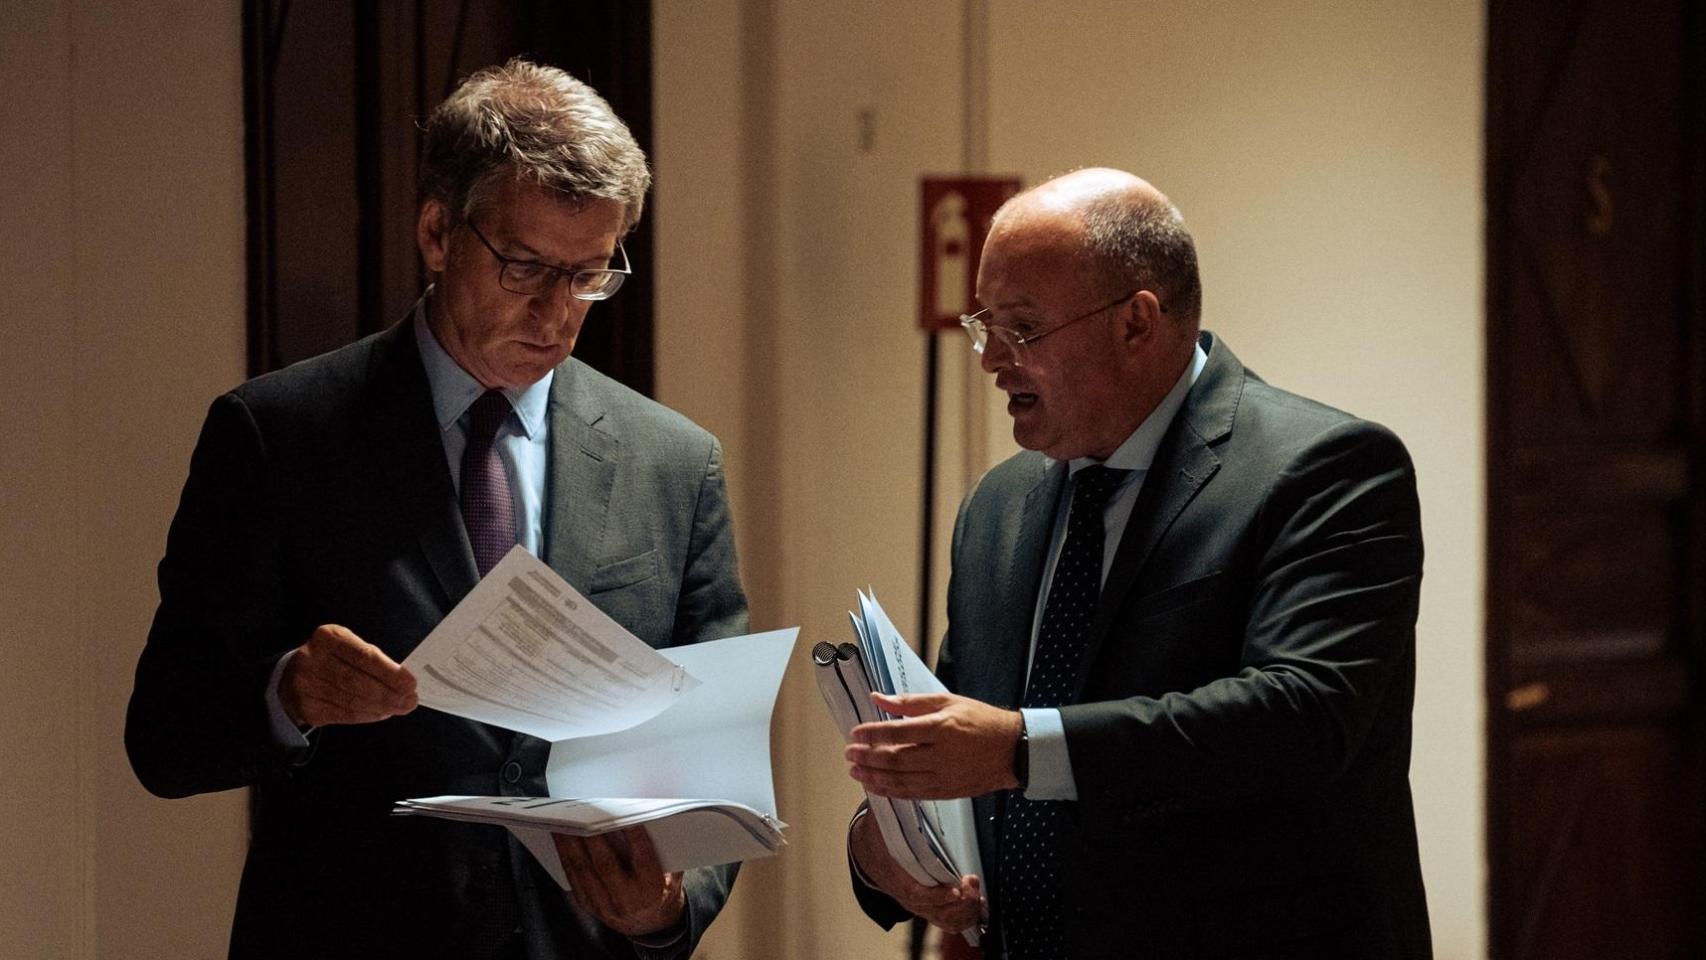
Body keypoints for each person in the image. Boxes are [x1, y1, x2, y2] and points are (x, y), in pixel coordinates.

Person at [125, 59, 747, 960]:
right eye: (526, 267)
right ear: (435, 232)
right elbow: (166, 737)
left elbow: (712, 753)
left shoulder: (675, 463)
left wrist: (666, 910)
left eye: (588, 276)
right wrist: (290, 692)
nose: (556, 314)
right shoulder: (279, 435)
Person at [843, 168, 1432, 959]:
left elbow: (1302, 715)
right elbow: (968, 734)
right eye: (985, 326)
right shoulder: (998, 507)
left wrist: (1019, 749)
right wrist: (884, 852)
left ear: (1136, 322)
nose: (992, 362)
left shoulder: (1325, 468)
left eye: (1022, 329)